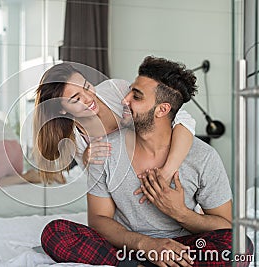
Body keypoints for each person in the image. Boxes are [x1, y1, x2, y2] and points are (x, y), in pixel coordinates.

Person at [40, 56, 253, 266]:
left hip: (182, 244)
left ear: (163, 109)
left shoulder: (202, 156)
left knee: (241, 246)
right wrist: (147, 245)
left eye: (137, 96)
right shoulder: (100, 151)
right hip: (126, 244)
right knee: (55, 232)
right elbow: (98, 219)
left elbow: (225, 226)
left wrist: (180, 212)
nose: (124, 100)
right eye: (76, 99)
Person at [33, 62, 195, 187]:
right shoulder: (75, 138)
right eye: (76, 99)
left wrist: (166, 173)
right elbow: (100, 184)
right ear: (61, 110)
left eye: (87, 86)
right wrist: (86, 160)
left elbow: (182, 119)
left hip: (167, 169)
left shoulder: (115, 90)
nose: (89, 98)